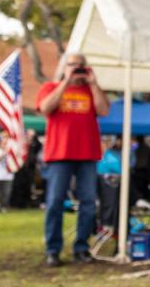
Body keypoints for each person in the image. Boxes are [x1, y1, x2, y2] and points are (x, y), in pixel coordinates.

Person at [36, 53, 109, 267]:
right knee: (54, 202)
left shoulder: (91, 90)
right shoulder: (50, 87)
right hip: (59, 154)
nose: (77, 69)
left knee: (88, 202)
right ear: (64, 67)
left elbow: (103, 110)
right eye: (72, 65)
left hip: (87, 154)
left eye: (81, 66)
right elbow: (47, 108)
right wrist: (65, 81)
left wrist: (94, 84)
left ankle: (82, 248)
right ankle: (53, 249)